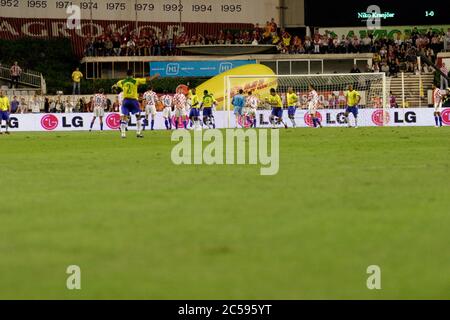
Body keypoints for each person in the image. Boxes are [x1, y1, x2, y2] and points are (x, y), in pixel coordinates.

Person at [112, 69, 159, 138]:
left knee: (124, 117)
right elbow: (148, 79)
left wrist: (114, 87)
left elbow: (115, 85)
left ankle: (123, 134)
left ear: (126, 75)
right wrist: (155, 76)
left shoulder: (122, 82)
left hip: (125, 101)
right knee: (138, 116)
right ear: (132, 74)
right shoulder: (135, 80)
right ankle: (138, 133)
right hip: (133, 101)